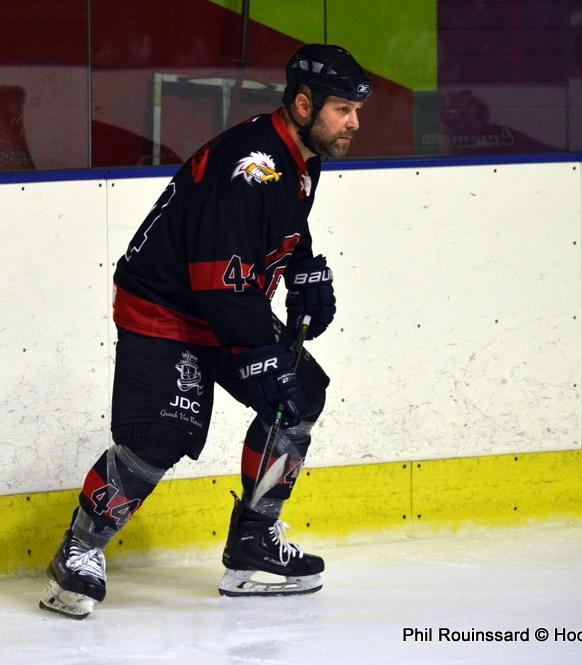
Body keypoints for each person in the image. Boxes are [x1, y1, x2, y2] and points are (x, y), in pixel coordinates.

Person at [40, 43, 372, 619]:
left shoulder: (297, 158)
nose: (354, 123)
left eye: (356, 111)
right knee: (159, 436)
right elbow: (214, 280)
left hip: (223, 301)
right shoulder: (252, 167)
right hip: (167, 307)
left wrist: (304, 268)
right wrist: (259, 353)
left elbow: (277, 227)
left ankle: (253, 543)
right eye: (342, 109)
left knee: (298, 395)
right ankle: (80, 549)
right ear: (303, 105)